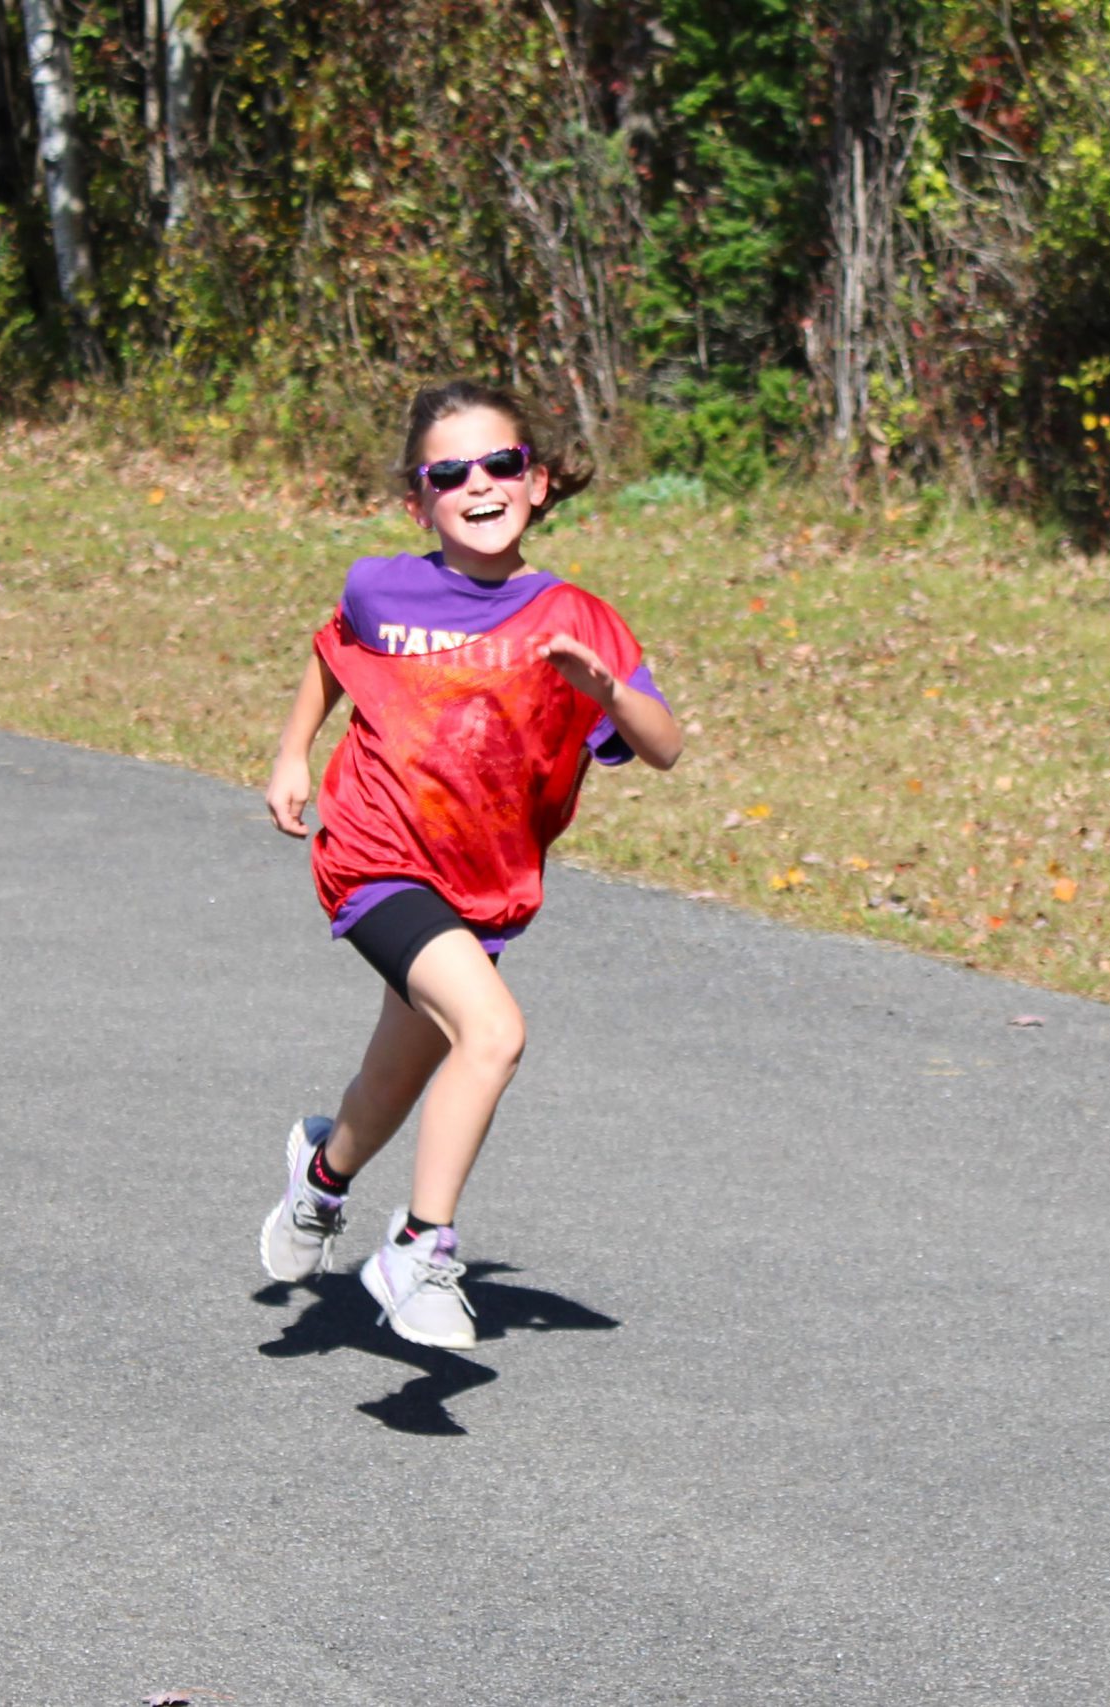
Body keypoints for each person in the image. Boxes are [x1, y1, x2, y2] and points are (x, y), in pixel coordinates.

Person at [259, 380, 684, 1349]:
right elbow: (335, 648)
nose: (478, 485)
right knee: (490, 1033)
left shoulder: (575, 620)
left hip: (481, 885)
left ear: (535, 483)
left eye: (500, 465)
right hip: (373, 857)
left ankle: (319, 1182)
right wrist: (292, 753)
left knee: (396, 1078)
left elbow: (663, 747)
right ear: (419, 503)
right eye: (449, 474)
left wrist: (608, 692)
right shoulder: (382, 586)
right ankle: (419, 1247)